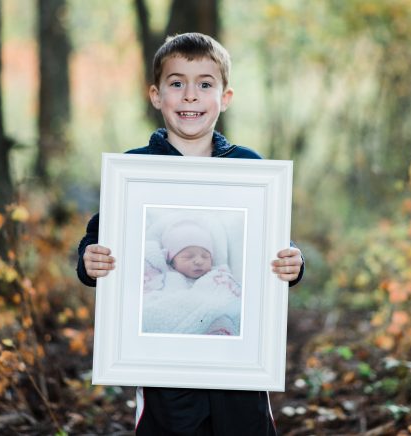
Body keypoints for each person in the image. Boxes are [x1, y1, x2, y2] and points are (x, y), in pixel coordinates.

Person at [77, 32, 304, 436]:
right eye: (176, 83)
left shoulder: (248, 168)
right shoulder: (135, 171)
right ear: (155, 94)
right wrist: (89, 259)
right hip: (165, 364)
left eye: (205, 84)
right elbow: (99, 237)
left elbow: (270, 242)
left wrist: (291, 261)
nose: (190, 96)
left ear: (226, 96)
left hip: (239, 366)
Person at [142, 218, 242, 336]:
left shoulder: (217, 277)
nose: (199, 261)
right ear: (172, 262)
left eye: (205, 256)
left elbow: (228, 299)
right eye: (188, 257)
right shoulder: (166, 277)